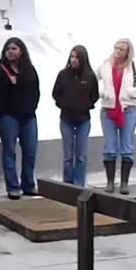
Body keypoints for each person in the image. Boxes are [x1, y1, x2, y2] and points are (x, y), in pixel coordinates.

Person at [95, 38, 136, 194]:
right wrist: (102, 93)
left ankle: (124, 182)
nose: (118, 51)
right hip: (109, 109)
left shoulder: (133, 66)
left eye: (122, 49)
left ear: (128, 52)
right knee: (110, 147)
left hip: (128, 109)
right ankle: (110, 182)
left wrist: (133, 92)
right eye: (116, 48)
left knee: (127, 147)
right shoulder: (105, 65)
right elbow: (91, 81)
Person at [0, 37, 40, 199]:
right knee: (10, 151)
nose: (11, 51)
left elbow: (35, 90)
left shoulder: (29, 69)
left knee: (30, 151)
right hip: (8, 115)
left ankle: (28, 184)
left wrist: (31, 106)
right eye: (8, 49)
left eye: (14, 48)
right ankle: (13, 187)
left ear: (21, 51)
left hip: (28, 115)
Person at [52, 45, 99, 186]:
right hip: (66, 119)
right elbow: (56, 93)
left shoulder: (89, 76)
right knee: (68, 155)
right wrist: (63, 103)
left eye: (77, 57)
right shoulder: (63, 74)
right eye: (72, 57)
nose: (74, 60)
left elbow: (95, 94)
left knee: (81, 156)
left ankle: (79, 183)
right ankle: (68, 182)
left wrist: (87, 104)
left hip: (83, 120)